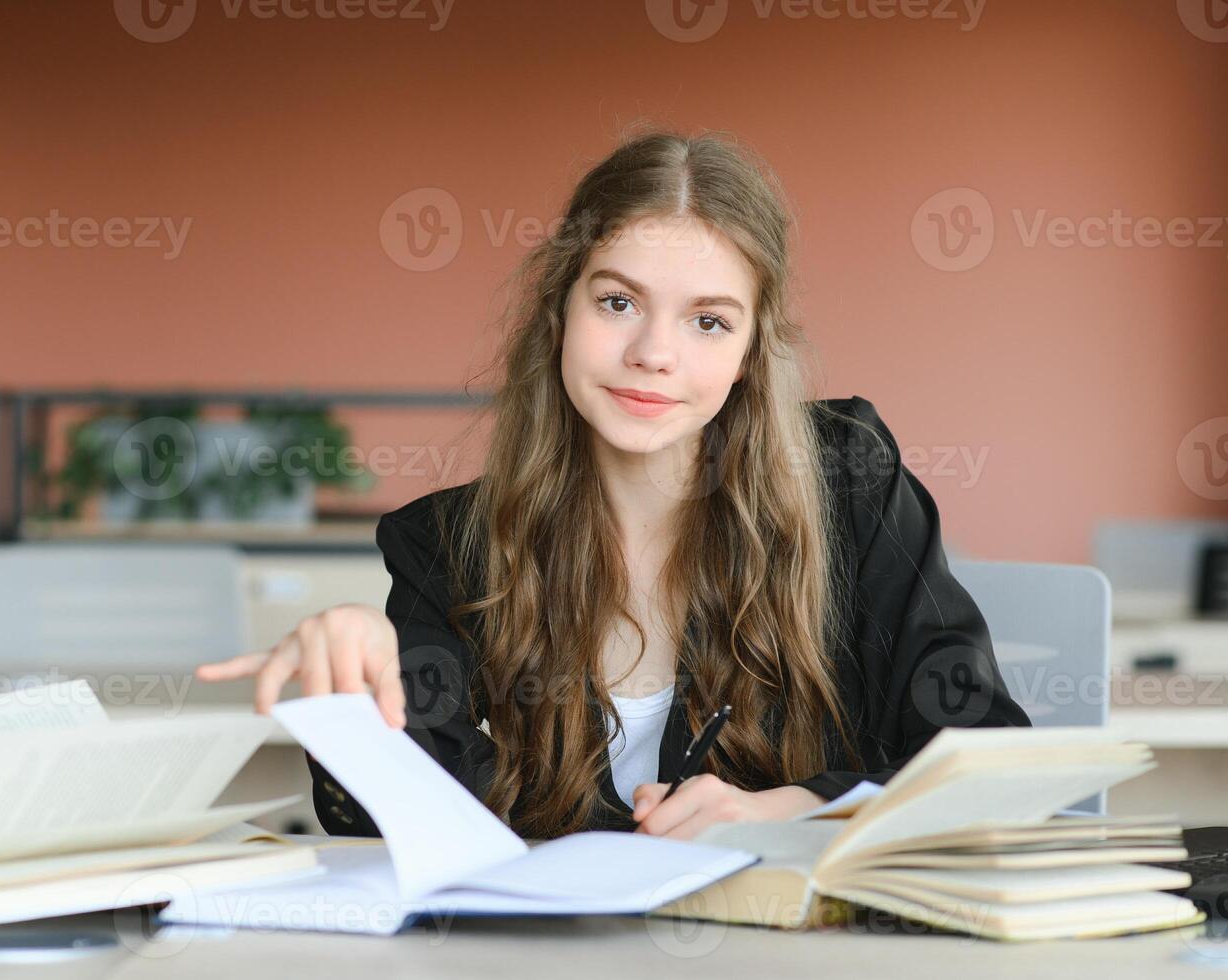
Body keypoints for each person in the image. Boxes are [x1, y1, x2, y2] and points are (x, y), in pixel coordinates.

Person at [197, 128, 1030, 842]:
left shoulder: (848, 481)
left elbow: (983, 753)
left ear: (748, 354)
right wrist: (360, 700)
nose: (654, 354)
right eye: (618, 302)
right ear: (559, 312)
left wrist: (792, 810)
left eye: (708, 320)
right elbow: (396, 822)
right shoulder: (446, 545)